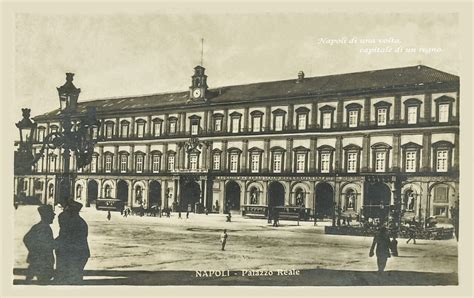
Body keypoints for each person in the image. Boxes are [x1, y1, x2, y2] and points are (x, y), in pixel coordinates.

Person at [55, 201, 90, 284]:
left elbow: (66, 237)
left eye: (66, 211)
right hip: (76, 254)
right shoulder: (75, 221)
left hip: (75, 255)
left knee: (71, 280)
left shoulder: (74, 223)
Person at [23, 205, 56, 282]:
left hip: (39, 260)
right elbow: (47, 244)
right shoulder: (44, 228)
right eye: (52, 215)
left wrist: (33, 250)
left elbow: (27, 239)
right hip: (43, 262)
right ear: (47, 216)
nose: (53, 217)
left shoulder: (38, 227)